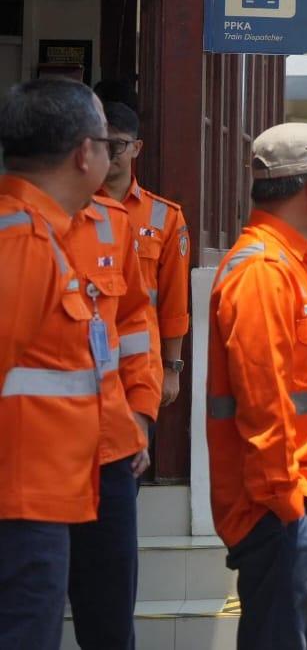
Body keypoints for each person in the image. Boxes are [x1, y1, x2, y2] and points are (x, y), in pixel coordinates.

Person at [205, 122, 307, 650]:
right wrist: (290, 509)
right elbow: (264, 406)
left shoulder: (290, 265)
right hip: (286, 511)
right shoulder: (263, 273)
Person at [0, 77, 113, 649]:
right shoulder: (21, 239)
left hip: (38, 499)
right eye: (107, 141)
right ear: (83, 153)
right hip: (19, 509)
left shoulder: (40, 230)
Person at [64, 150, 159, 650]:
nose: (114, 153)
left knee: (110, 626)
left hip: (110, 454)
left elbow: (136, 322)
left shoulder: (114, 223)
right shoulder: (14, 228)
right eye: (104, 142)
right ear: (81, 152)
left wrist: (140, 415)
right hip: (29, 458)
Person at [101, 101, 191, 408]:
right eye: (101, 143)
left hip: (140, 368)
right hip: (83, 366)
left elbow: (174, 300)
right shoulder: (73, 208)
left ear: (137, 148)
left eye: (119, 145)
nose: (109, 153)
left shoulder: (164, 217)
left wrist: (172, 368)